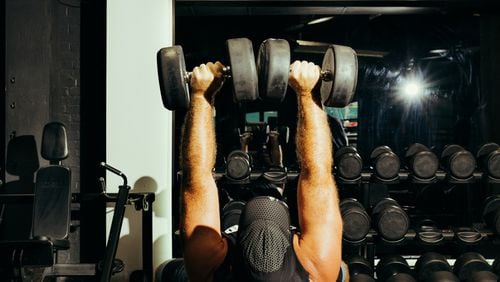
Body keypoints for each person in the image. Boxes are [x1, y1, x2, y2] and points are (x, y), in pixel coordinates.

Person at [179, 60, 345, 281]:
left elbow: (196, 178)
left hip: (234, 219)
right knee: (341, 270)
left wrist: (201, 95)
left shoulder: (211, 268)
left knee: (168, 271)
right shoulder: (316, 268)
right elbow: (317, 176)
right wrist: (308, 93)